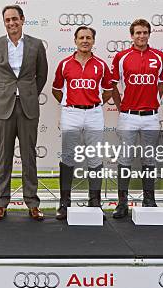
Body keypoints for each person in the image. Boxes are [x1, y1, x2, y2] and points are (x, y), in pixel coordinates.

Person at [0, 4, 48, 221]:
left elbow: (42, 76)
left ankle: (32, 203)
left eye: (15, 19)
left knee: (29, 156)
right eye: (7, 20)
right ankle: (1, 203)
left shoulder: (37, 45)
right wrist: (2, 97)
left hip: (28, 107)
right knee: (4, 156)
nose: (11, 23)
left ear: (22, 19)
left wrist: (28, 94)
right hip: (4, 108)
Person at [51, 26, 112, 220]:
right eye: (81, 38)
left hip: (94, 113)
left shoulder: (101, 65)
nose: (85, 41)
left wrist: (96, 103)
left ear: (93, 41)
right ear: (75, 40)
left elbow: (108, 90)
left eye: (88, 38)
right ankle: (64, 202)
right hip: (72, 113)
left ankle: (94, 201)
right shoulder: (64, 64)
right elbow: (56, 89)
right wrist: (69, 104)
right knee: (68, 157)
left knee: (94, 158)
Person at [111, 19, 163, 219]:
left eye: (145, 32)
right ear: (132, 35)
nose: (141, 36)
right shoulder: (121, 57)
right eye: (137, 33)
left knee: (149, 159)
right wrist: (121, 107)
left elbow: (161, 84)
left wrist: (155, 101)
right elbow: (112, 86)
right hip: (128, 116)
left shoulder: (159, 57)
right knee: (125, 158)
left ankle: (149, 199)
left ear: (149, 34)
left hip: (150, 116)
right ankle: (122, 202)